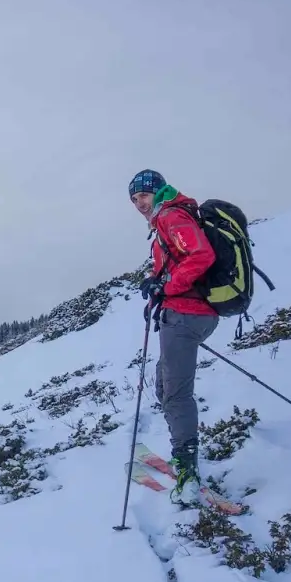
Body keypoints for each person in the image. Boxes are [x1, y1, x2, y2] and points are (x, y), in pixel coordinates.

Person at [129, 169, 216, 506]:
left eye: (144, 195)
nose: (139, 203)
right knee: (165, 387)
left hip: (187, 313)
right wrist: (156, 284)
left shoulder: (171, 216)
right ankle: (184, 454)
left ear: (159, 191)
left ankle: (187, 467)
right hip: (185, 312)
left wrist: (166, 287)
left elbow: (201, 256)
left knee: (176, 394)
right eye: (134, 199)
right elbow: (174, 264)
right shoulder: (167, 219)